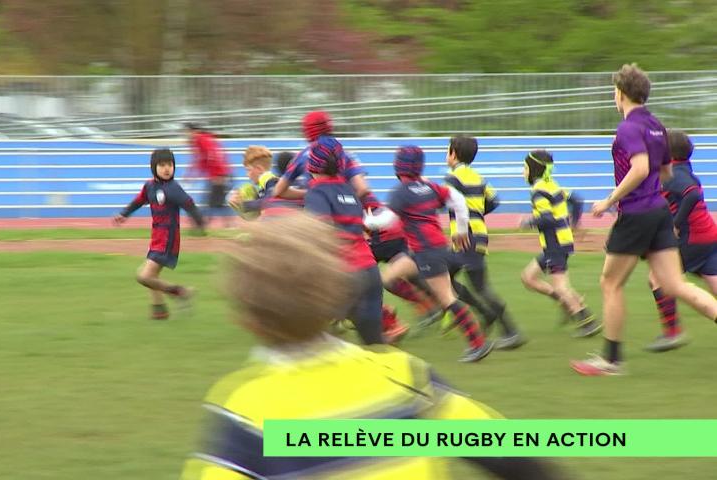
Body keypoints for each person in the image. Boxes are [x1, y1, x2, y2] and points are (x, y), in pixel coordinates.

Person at [180, 213, 563, 479]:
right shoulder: (405, 374)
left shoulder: (244, 410)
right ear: (338, 296)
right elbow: (511, 456)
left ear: (246, 320)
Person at [571, 64, 717, 376]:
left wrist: (609, 200)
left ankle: (611, 360)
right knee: (675, 284)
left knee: (610, 283)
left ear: (620, 94)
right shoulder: (656, 125)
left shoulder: (628, 128)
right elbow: (665, 173)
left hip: (636, 214)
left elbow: (639, 169)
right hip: (659, 212)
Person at [380, 145, 494, 362]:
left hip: (427, 253)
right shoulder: (429, 186)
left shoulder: (400, 191)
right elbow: (458, 200)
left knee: (448, 298)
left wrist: (366, 221)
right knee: (387, 278)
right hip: (431, 250)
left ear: (399, 165)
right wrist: (460, 231)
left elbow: (387, 220)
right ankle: (427, 305)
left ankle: (478, 344)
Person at [303, 136, 388, 345]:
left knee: (311, 341)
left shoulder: (317, 192)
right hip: (370, 272)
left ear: (312, 164)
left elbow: (320, 232)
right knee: (374, 345)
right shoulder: (349, 190)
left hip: (344, 273)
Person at [444, 135, 525, 348]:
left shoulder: (452, 178)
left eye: (447, 151)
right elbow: (494, 200)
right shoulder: (478, 178)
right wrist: (477, 214)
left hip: (464, 238)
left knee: (480, 287)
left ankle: (510, 331)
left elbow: (450, 202)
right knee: (444, 276)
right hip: (476, 236)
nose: (446, 155)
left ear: (453, 154)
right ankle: (486, 313)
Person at [645, 129, 717, 352]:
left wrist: (676, 222)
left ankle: (672, 332)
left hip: (692, 238)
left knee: (657, 277)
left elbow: (693, 194)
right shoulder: (682, 169)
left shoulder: (675, 173)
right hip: (708, 235)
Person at [114, 149, 205, 320]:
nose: (167, 169)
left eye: (170, 165)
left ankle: (179, 291)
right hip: (156, 238)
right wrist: (124, 214)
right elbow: (138, 201)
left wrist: (199, 222)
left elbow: (189, 204)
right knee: (152, 277)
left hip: (168, 239)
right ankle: (159, 311)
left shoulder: (173, 188)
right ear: (153, 167)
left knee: (143, 276)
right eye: (162, 165)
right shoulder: (149, 186)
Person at [518, 150, 600, 338]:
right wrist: (575, 223)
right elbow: (577, 199)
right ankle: (567, 302)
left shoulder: (538, 191)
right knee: (528, 278)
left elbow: (547, 219)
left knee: (562, 286)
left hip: (555, 243)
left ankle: (586, 320)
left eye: (524, 168)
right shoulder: (553, 186)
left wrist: (527, 222)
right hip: (558, 243)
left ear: (534, 170)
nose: (522, 172)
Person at [185, 122, 232, 226]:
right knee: (215, 200)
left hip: (218, 175)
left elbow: (212, 155)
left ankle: (204, 224)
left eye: (187, 132)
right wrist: (191, 175)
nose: (187, 135)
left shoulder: (201, 139)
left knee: (213, 201)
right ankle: (208, 224)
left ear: (193, 131)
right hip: (219, 174)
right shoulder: (205, 139)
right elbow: (200, 161)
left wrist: (218, 174)